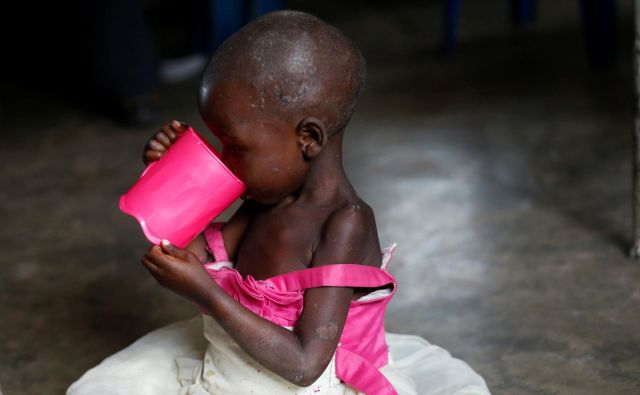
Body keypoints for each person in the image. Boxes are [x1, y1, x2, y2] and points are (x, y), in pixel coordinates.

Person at [67, 11, 490, 395]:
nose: (223, 158)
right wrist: (172, 180)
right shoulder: (264, 200)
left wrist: (208, 296)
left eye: (235, 146)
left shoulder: (344, 224)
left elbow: (306, 365)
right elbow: (192, 256)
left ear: (308, 138)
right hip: (233, 368)